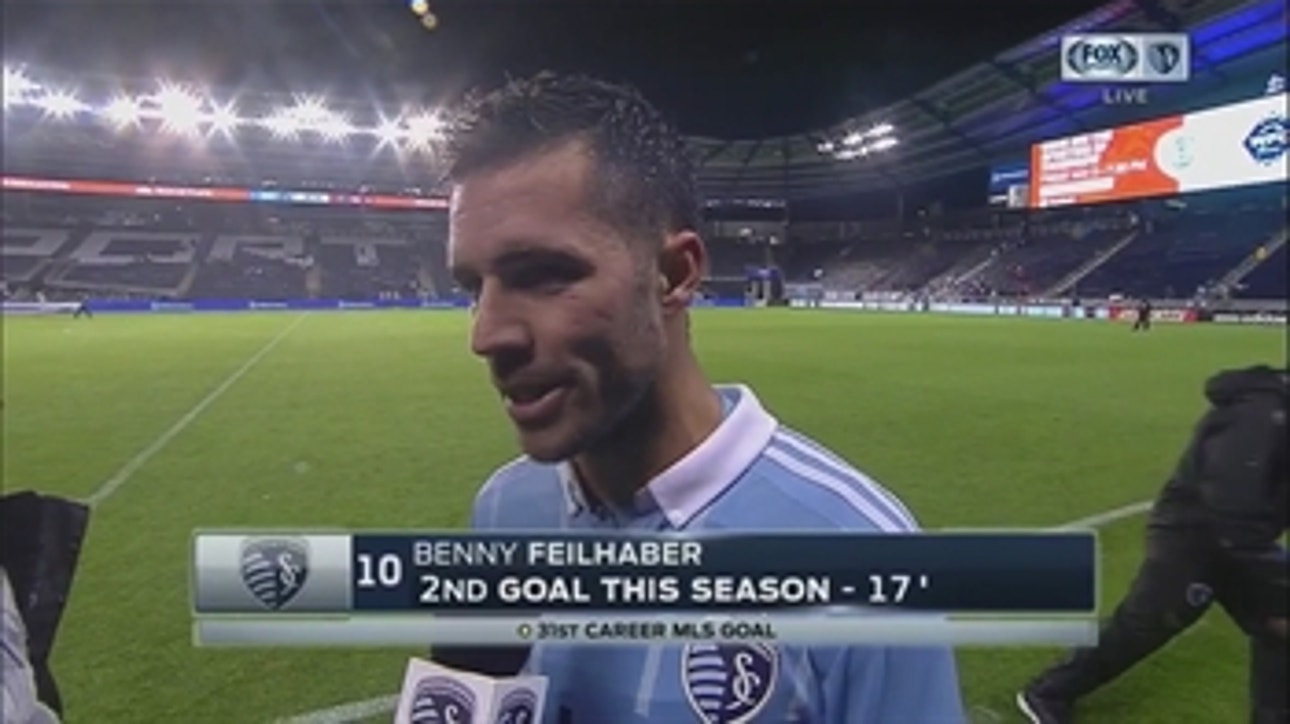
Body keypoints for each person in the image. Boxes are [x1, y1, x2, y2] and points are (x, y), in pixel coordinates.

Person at [430, 71, 965, 724]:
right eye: (471, 286)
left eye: (543, 276)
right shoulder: (504, 507)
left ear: (675, 275)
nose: (486, 335)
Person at [1018, 365, 1288, 724]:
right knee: (1147, 624)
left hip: (1245, 542)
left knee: (1279, 622)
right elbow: (1232, 506)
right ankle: (1048, 691)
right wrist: (1276, 574)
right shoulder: (1259, 415)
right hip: (1191, 535)